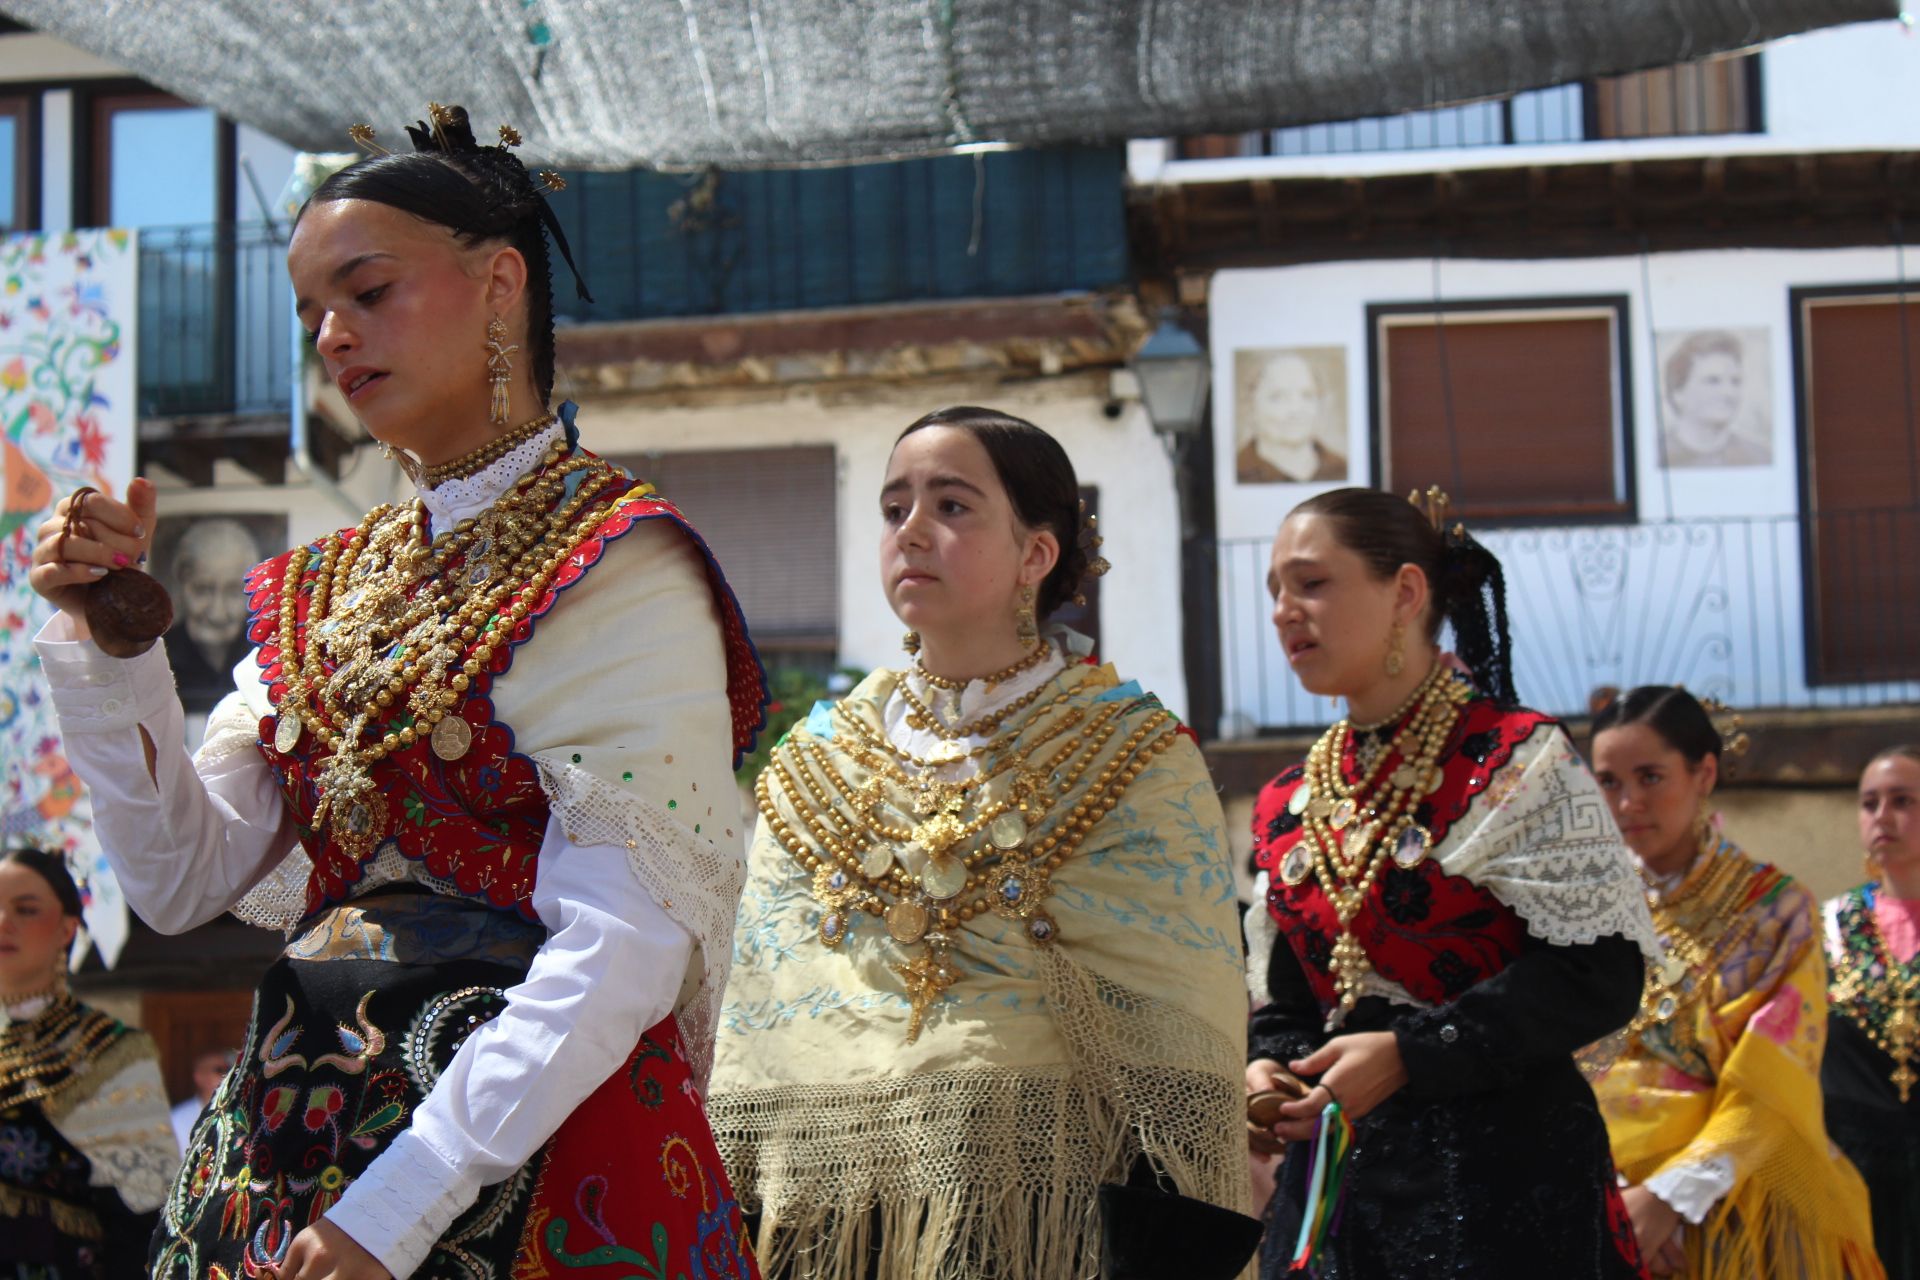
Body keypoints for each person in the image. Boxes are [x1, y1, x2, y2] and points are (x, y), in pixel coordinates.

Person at [28, 104, 767, 1280]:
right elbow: (181, 879)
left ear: (500, 284)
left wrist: (401, 1202)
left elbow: (624, 936)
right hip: (286, 1148)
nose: (330, 335)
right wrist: (107, 646)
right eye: (312, 309)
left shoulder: (620, 560)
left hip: (532, 1154)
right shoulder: (314, 589)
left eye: (368, 292)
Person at [708, 407, 1258, 1280]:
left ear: (1036, 555)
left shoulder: (1135, 751)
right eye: (895, 510)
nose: (912, 531)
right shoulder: (816, 756)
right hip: (838, 1214)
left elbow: (1179, 1010)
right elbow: (761, 1000)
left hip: (1046, 1208)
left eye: (953, 507)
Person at [1245, 485, 1659, 1280]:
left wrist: (1413, 1053)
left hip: (1506, 1192)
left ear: (1405, 591)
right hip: (1338, 1202)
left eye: (1312, 583)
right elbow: (1293, 999)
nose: (1283, 611)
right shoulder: (1288, 801)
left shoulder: (1517, 761)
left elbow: (1600, 973)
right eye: (1274, 592)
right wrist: (1274, 1068)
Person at [1588, 686, 1880, 1279]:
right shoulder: (1583, 913)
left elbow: (1772, 1075)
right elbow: (1560, 1056)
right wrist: (1618, 1196)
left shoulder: (1775, 910)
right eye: (1609, 782)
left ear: (1705, 773)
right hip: (1597, 1192)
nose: (1626, 803)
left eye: (1649, 777)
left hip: (1741, 1206)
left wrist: (1668, 1198)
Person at [0, 847, 178, 1279]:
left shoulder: (108, 1051)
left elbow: (146, 1207)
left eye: (25, 909)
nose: (3, 923)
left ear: (66, 929)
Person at [1825, 745, 1920, 1279]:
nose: (1882, 817)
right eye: (1869, 803)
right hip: (1851, 1180)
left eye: (1902, 800)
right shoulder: (1826, 928)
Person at [160, 517, 263, 710]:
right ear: (180, 585)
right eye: (202, 589)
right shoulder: (158, 656)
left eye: (233, 591)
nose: (218, 612)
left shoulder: (268, 656)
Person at [1236, 351, 1347, 484]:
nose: (1296, 410)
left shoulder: (1343, 469)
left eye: (1307, 395)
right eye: (1278, 397)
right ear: (1250, 406)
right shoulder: (1237, 473)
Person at [1661, 331, 1768, 468]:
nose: (1729, 393)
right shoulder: (1654, 456)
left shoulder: (1761, 458)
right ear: (1678, 392)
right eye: (1712, 381)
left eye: (1735, 382)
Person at [167, 1048, 233, 1154]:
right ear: (199, 1076)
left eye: (229, 1069)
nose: (227, 1075)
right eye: (219, 1070)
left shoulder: (240, 1112)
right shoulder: (178, 1118)